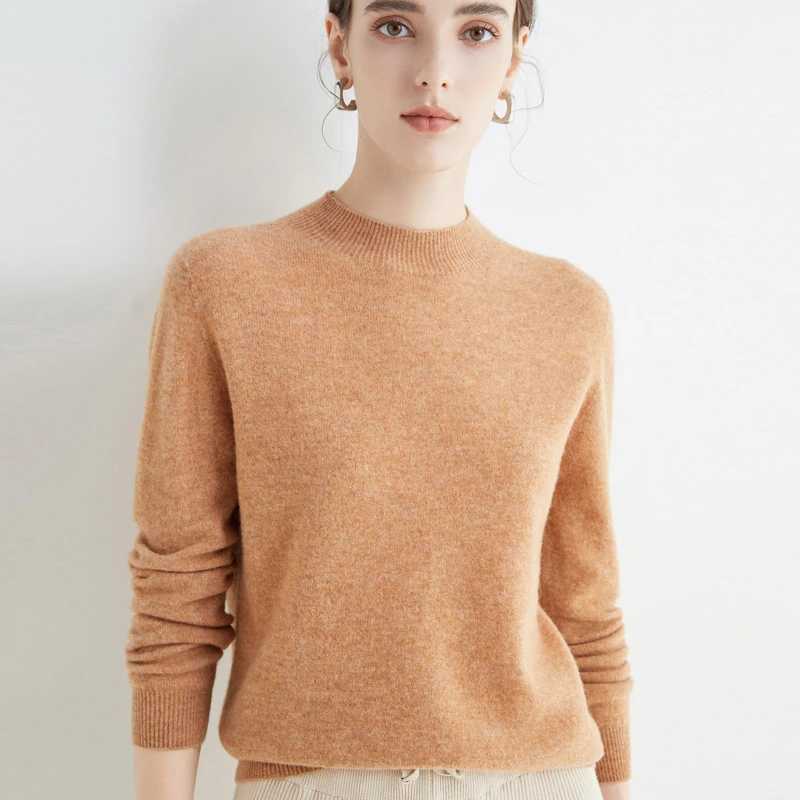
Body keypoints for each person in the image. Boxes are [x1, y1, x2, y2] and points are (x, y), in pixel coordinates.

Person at [125, 2, 634, 800]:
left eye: (476, 32)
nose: (435, 71)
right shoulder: (224, 283)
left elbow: (585, 602)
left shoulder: (568, 309)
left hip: (539, 777)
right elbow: (177, 589)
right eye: (396, 25)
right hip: (309, 781)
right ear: (340, 46)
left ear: (513, 59)